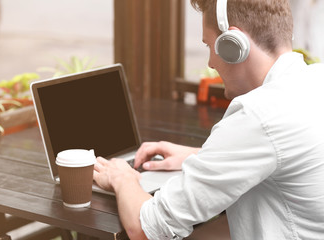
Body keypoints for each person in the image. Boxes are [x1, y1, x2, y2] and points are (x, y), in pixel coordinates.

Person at [93, 0, 324, 239]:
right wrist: (198, 157)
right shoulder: (315, 80)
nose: (210, 63)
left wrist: (122, 177)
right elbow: (284, 156)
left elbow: (145, 228)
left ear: (233, 45)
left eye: (209, 46)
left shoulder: (257, 114)